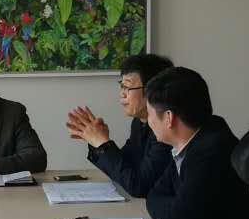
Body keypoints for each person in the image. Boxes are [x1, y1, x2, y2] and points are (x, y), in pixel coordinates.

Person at [141, 67, 249, 219]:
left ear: (168, 117)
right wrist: (176, 210)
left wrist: (176, 213)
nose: (148, 121)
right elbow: (154, 197)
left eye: (149, 114)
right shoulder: (194, 140)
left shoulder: (212, 152)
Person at [65, 52, 173, 196]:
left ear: (152, 90)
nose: (122, 94)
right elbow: (125, 168)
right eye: (121, 86)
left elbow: (139, 186)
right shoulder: (139, 122)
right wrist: (97, 141)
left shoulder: (167, 128)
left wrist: (103, 144)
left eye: (127, 87)